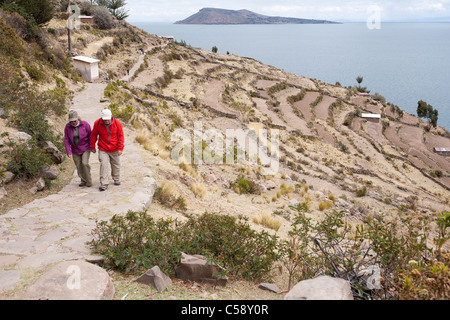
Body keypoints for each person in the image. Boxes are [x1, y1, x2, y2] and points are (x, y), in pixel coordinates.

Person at [90, 108, 124, 191]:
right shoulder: (97, 123)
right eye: (105, 120)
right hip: (103, 148)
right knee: (104, 164)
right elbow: (94, 135)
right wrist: (92, 146)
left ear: (111, 117)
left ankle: (116, 179)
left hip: (114, 148)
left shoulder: (117, 123)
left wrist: (120, 148)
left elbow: (120, 136)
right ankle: (104, 183)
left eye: (108, 119)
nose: (106, 121)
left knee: (116, 164)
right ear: (102, 118)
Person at [64, 110, 92, 187]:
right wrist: (68, 151)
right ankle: (83, 180)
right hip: (75, 150)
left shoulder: (85, 124)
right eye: (71, 121)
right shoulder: (67, 127)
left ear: (78, 118)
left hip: (85, 148)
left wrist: (91, 146)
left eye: (75, 120)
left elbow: (90, 135)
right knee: (79, 166)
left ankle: (89, 181)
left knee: (84, 163)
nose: (73, 122)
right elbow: (66, 139)